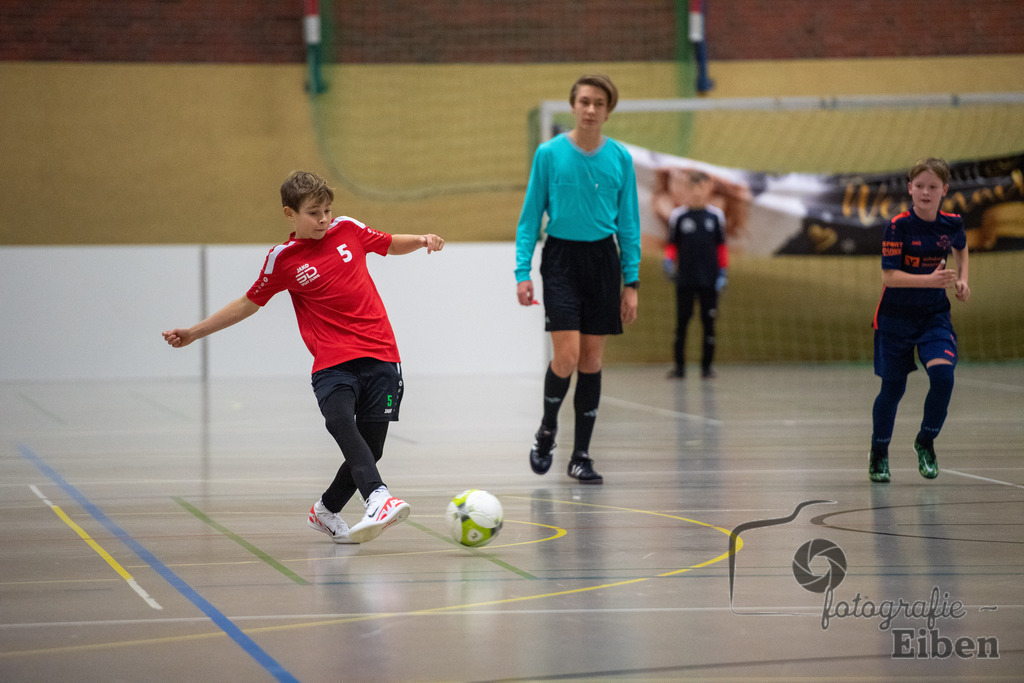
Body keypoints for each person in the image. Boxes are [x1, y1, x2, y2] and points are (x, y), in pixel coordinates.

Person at [163, 171, 444, 542]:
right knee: (341, 421)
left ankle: (326, 511)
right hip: (332, 362)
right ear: (289, 214)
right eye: (314, 213)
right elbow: (248, 303)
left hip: (381, 355)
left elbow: (389, 243)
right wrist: (194, 332)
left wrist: (422, 239)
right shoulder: (283, 259)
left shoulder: (348, 230)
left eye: (327, 210)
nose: (324, 219)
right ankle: (377, 497)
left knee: (371, 448)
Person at [514, 74, 642, 485]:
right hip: (561, 260)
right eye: (584, 101)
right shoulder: (549, 154)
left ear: (608, 110)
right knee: (566, 357)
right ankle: (547, 429)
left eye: (598, 103)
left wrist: (632, 282)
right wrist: (522, 271)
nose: (590, 109)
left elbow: (629, 224)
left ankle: (581, 455)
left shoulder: (620, 158)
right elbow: (530, 217)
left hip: (604, 260)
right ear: (573, 106)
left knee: (591, 360)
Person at [868, 157, 969, 483]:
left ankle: (925, 441)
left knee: (943, 377)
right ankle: (879, 452)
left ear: (944, 190)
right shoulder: (897, 226)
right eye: (920, 186)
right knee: (892, 389)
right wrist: (930, 280)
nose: (926, 192)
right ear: (910, 188)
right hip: (895, 319)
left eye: (933, 187)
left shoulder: (951, 223)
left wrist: (963, 280)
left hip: (933, 317)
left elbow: (961, 248)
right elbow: (889, 277)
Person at [653, 168, 728, 379]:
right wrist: (668, 261)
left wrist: (723, 272)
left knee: (709, 323)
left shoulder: (715, 216)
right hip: (685, 278)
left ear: (708, 189)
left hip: (710, 279)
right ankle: (679, 367)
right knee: (682, 323)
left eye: (701, 187)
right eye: (692, 187)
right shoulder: (679, 216)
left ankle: (706, 367)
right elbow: (672, 244)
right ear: (687, 189)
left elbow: (721, 247)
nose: (697, 191)